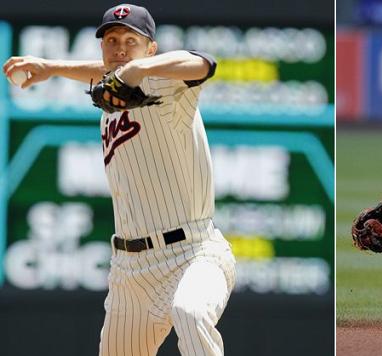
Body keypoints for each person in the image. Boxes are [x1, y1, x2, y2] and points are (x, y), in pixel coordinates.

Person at [3, 4, 236, 354]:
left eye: (132, 40)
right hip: (130, 270)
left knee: (190, 313)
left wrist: (139, 68)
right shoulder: (112, 92)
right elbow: (110, 72)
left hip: (194, 253)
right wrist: (50, 68)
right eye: (112, 40)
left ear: (151, 48)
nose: (121, 48)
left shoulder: (164, 81)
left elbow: (204, 62)